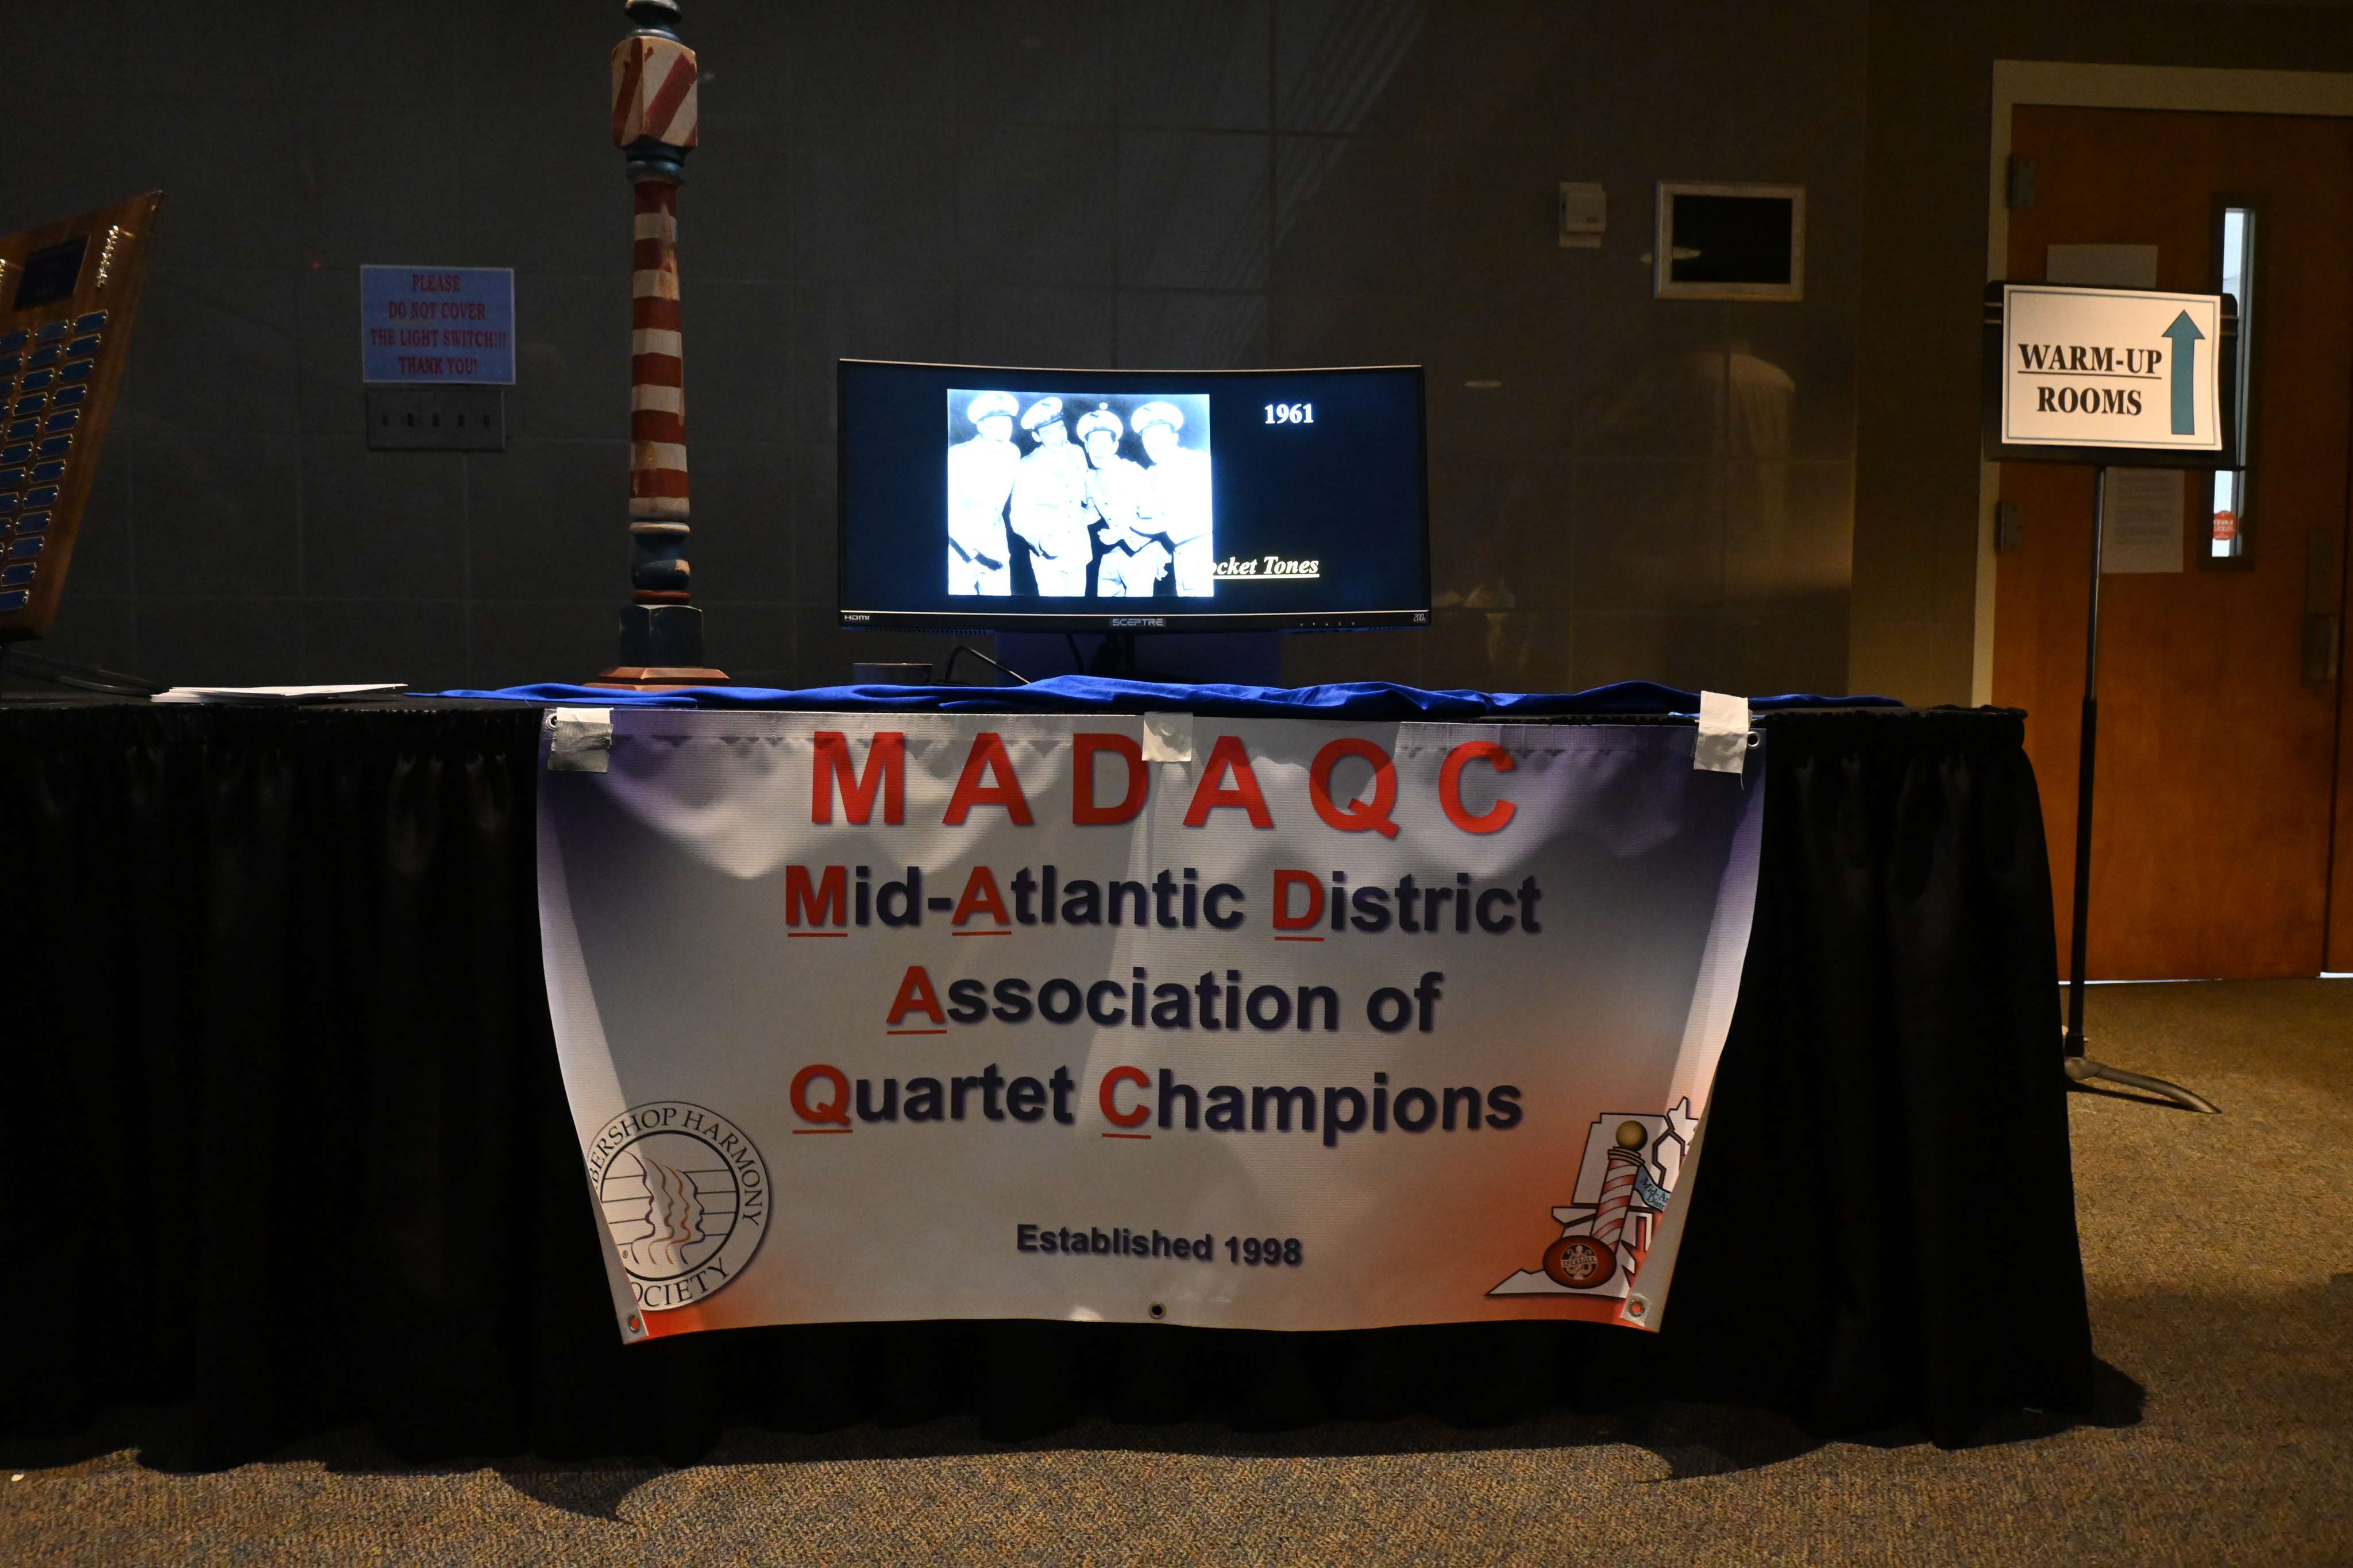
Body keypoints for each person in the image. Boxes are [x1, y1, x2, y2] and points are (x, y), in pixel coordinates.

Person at [1008, 396, 1097, 596]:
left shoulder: (1077, 453)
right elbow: (1018, 517)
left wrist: (1088, 515)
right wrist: (1039, 540)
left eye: (1060, 428)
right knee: (1053, 611)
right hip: (1048, 557)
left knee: (1078, 609)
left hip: (1078, 549)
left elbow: (1087, 495)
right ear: (1037, 436)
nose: (1058, 437)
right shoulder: (1027, 466)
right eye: (1049, 432)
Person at [1077, 404, 1167, 597]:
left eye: (1104, 443)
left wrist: (1121, 533)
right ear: (1086, 446)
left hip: (1142, 554)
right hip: (1111, 554)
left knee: (1137, 613)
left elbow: (1156, 521)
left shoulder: (1133, 472)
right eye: (1093, 442)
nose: (1098, 449)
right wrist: (1064, 517)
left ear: (1114, 446)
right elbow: (1092, 512)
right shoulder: (1090, 477)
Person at [1131, 400, 1214, 597]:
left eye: (1159, 435)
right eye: (1147, 436)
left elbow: (1212, 517)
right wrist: (1164, 552)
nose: (1153, 443)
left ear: (1174, 438)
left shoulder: (1199, 462)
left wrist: (1158, 526)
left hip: (1209, 558)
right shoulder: (1151, 473)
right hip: (1181, 562)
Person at [946, 390, 1020, 594]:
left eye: (1007, 424)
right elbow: (945, 511)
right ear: (981, 427)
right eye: (995, 424)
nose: (1003, 431)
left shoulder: (1013, 453)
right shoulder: (958, 456)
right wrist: (975, 550)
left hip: (997, 550)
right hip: (959, 552)